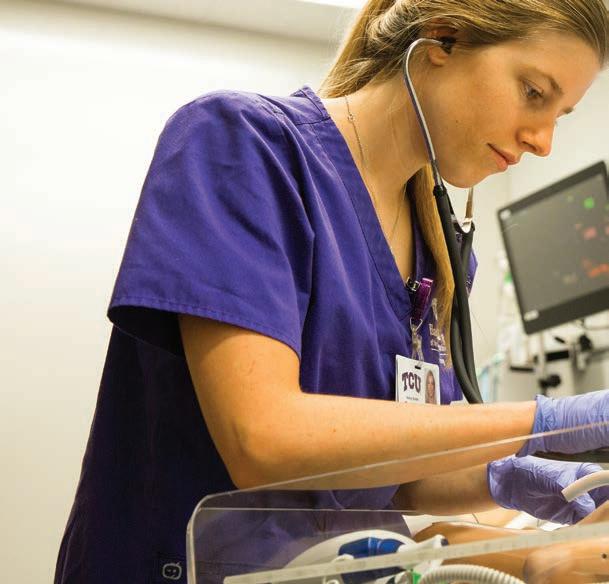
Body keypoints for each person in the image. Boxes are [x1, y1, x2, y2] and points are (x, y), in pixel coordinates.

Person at [54, 1, 609, 582]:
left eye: (560, 115)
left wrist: (515, 476)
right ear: (442, 36)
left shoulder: (439, 255)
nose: (542, 141)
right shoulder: (244, 146)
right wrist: (545, 421)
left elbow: (395, 473)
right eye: (533, 92)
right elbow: (263, 440)